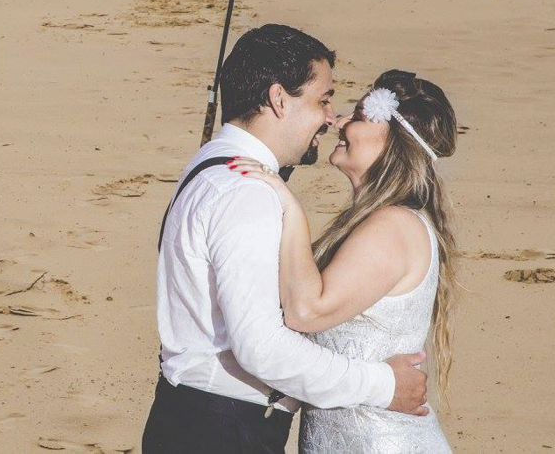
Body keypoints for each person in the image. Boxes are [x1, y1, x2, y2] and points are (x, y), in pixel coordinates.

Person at [141, 25, 428, 454]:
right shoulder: (246, 192)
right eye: (323, 99)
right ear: (279, 99)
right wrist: (384, 385)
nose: (331, 118)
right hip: (221, 432)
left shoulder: (210, 166)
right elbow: (262, 349)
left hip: (195, 419)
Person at [228, 69, 458, 452]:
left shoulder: (393, 225)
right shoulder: (385, 221)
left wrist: (288, 206)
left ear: (394, 143)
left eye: (360, 116)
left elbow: (307, 311)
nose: (339, 120)